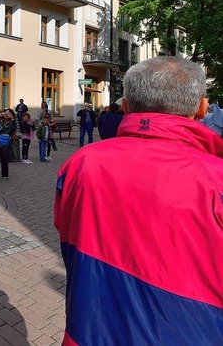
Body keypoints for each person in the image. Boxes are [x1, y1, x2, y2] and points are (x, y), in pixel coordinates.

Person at [54, 57, 223, 344]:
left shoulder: (80, 163)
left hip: (88, 331)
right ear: (202, 108)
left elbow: (65, 227)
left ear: (126, 106)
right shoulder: (215, 178)